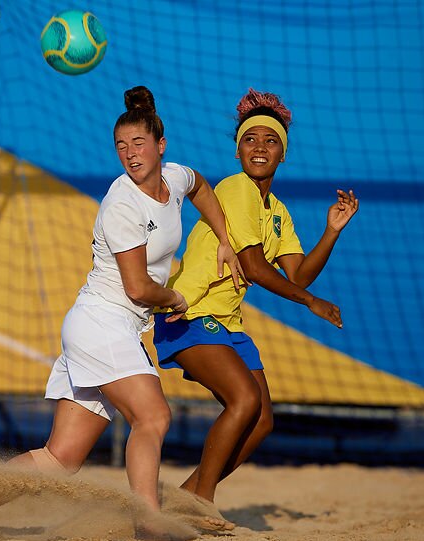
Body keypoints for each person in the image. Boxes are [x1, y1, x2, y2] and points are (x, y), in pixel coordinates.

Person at [8, 86, 246, 535]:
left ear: (161, 145)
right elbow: (138, 288)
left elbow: (199, 186)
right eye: (121, 146)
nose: (130, 154)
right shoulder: (121, 202)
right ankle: (148, 522)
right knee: (153, 416)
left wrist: (224, 241)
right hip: (102, 322)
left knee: (60, 460)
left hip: (105, 326)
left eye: (138, 144)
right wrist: (175, 299)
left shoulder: (173, 177)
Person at [152, 88, 359, 515]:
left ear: (283, 153)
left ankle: (183, 499)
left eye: (270, 140)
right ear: (237, 151)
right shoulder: (236, 188)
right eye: (250, 139)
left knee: (262, 420)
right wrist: (311, 303)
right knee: (244, 401)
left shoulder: (276, 210)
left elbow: (297, 272)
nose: (259, 147)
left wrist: (332, 231)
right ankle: (203, 502)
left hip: (226, 324)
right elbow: (253, 265)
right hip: (191, 313)